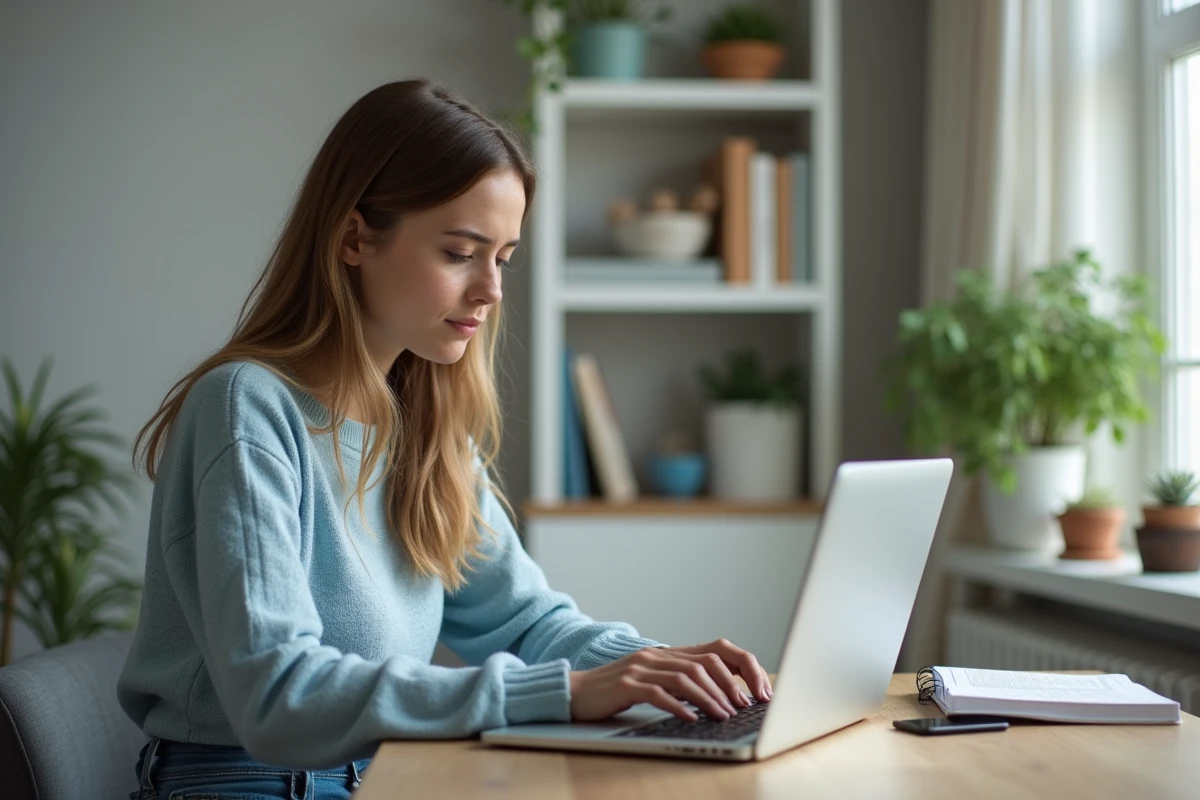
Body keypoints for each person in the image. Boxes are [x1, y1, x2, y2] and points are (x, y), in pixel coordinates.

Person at [117, 78, 773, 800]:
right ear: (354, 238)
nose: (492, 290)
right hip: (245, 784)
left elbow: (525, 620)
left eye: (504, 258)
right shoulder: (247, 407)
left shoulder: (424, 430)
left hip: (380, 773)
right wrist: (562, 692)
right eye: (461, 252)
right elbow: (277, 695)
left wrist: (664, 669)